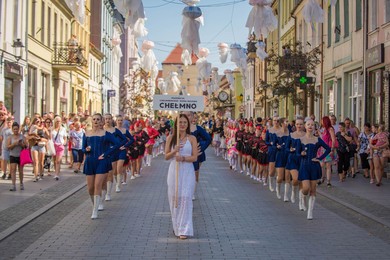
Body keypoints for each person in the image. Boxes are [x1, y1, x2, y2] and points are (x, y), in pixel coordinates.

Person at [165, 114, 198, 239]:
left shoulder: (192, 138)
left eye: (185, 122)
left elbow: (195, 157)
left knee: (186, 198)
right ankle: (176, 226)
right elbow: (166, 156)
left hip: (188, 170)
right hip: (174, 170)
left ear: (188, 124)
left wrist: (183, 158)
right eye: (180, 122)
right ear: (176, 124)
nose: (183, 124)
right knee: (175, 199)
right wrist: (175, 151)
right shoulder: (171, 138)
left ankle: (184, 229)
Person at [82, 113, 121, 219]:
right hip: (90, 162)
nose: (95, 121)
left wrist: (107, 153)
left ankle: (95, 210)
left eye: (98, 119)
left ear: (101, 121)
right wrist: (86, 150)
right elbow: (83, 148)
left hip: (102, 162)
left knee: (98, 185)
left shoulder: (106, 133)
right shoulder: (86, 133)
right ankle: (94, 204)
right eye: (94, 119)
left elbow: (117, 144)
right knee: (90, 188)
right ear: (91, 121)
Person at [296, 119, 330, 219]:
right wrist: (301, 153)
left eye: (312, 125)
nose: (310, 126)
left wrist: (319, 158)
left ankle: (310, 212)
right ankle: (302, 196)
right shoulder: (300, 139)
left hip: (314, 166)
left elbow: (328, 149)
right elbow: (297, 153)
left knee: (313, 190)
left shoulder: (317, 139)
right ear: (305, 127)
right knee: (305, 188)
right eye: (308, 124)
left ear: (314, 127)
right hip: (304, 165)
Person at [285, 117, 305, 206]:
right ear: (295, 125)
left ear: (303, 125)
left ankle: (301, 202)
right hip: (293, 158)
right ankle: (293, 190)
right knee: (296, 179)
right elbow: (286, 147)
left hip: (303, 159)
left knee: (301, 181)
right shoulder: (291, 135)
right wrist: (290, 149)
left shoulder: (306, 135)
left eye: (301, 124)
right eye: (297, 124)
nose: (299, 126)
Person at [29, 117, 50, 182]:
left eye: (40, 122)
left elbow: (49, 138)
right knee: (35, 161)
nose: (38, 123)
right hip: (34, 145)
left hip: (41, 145)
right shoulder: (33, 127)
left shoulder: (44, 129)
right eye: (36, 121)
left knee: (41, 162)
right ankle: (36, 176)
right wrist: (32, 137)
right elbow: (28, 136)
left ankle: (41, 174)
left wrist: (42, 139)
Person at [7, 122, 26, 191]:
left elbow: (26, 146)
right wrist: (14, 144)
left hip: (20, 155)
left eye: (17, 129)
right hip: (13, 155)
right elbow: (8, 147)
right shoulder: (10, 137)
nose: (15, 130)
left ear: (19, 129)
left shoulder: (22, 136)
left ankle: (21, 183)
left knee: (20, 170)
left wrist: (21, 144)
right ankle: (13, 185)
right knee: (13, 170)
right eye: (14, 129)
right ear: (12, 129)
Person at [318, 116, 336, 187]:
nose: (321, 122)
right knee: (322, 165)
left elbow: (333, 140)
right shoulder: (323, 129)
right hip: (322, 149)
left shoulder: (330, 129)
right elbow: (322, 138)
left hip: (328, 149)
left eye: (322, 120)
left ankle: (328, 181)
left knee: (328, 165)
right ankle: (322, 178)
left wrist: (332, 149)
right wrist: (319, 133)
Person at [51, 116, 67, 180]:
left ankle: (57, 174)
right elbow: (50, 138)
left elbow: (65, 138)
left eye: (59, 121)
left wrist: (64, 143)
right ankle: (56, 171)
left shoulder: (63, 129)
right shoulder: (52, 129)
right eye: (57, 121)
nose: (58, 122)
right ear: (54, 121)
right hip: (53, 146)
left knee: (58, 161)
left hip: (60, 146)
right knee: (54, 160)